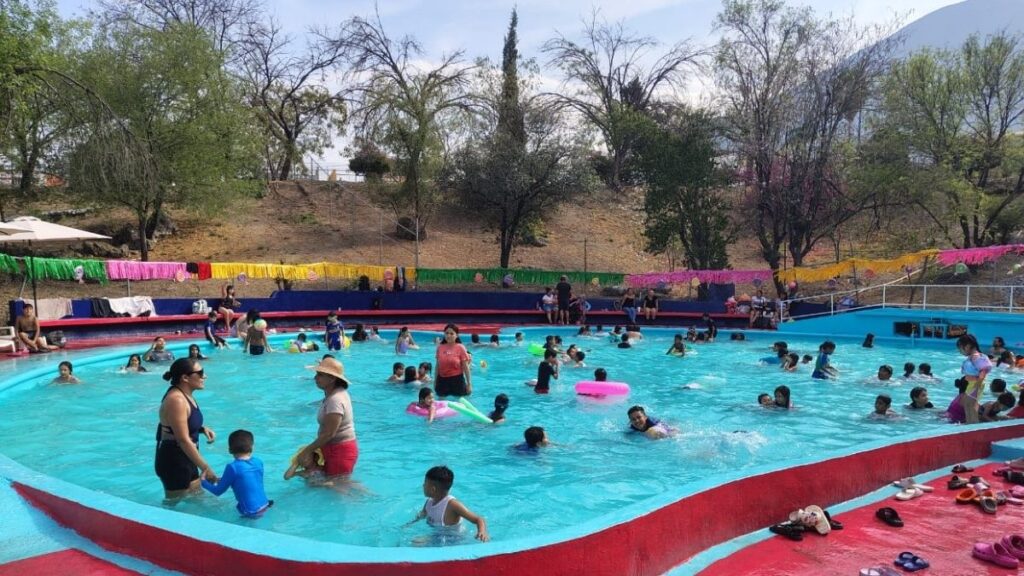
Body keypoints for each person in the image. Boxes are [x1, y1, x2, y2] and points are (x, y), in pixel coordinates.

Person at [155, 358, 217, 499]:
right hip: (174, 461)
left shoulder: (186, 396)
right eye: (200, 373)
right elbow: (182, 439)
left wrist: (200, 429)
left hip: (186, 456)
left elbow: (178, 424)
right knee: (177, 506)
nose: (204, 376)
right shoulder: (176, 400)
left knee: (196, 500)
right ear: (185, 378)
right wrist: (206, 468)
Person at [297, 357, 358, 478]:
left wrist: (306, 451)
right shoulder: (335, 394)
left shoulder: (335, 400)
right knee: (338, 486)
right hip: (335, 448)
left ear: (332, 378)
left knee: (339, 488)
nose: (315, 378)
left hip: (339, 451)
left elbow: (329, 434)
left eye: (319, 375)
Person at [201, 429, 272, 518]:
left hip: (251, 512)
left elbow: (217, 491)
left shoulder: (232, 467)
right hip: (266, 504)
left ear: (230, 450)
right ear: (252, 447)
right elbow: (249, 481)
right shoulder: (258, 462)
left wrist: (203, 482)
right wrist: (224, 480)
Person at [407, 466, 489, 542]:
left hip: (455, 540)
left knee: (416, 543)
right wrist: (409, 524)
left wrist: (482, 532)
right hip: (437, 536)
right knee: (414, 541)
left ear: (433, 489)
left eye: (425, 483)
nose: (423, 485)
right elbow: (422, 515)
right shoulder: (429, 502)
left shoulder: (452, 505)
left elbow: (478, 519)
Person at [958, 334, 992, 425]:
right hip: (972, 384)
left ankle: (973, 424)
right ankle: (970, 423)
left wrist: (978, 384)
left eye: (960, 348)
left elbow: (983, 370)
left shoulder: (976, 356)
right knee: (967, 404)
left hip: (976, 384)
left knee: (971, 405)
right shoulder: (973, 356)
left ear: (968, 346)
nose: (960, 351)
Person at [435, 324, 472, 397]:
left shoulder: (460, 347)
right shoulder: (440, 348)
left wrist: (469, 384)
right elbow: (437, 366)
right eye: (447, 333)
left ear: (456, 335)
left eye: (451, 333)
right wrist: (435, 381)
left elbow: (466, 367)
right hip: (442, 380)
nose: (448, 336)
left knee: (460, 403)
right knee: (441, 404)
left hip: (457, 380)